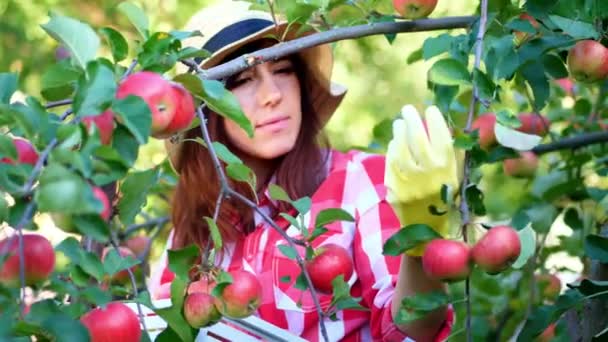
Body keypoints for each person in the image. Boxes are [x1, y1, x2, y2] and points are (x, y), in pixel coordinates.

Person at [150, 1, 461, 341]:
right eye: (241, 80)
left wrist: (421, 239)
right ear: (206, 112)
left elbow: (412, 331)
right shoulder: (198, 231)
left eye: (283, 70)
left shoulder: (360, 183)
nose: (272, 95)